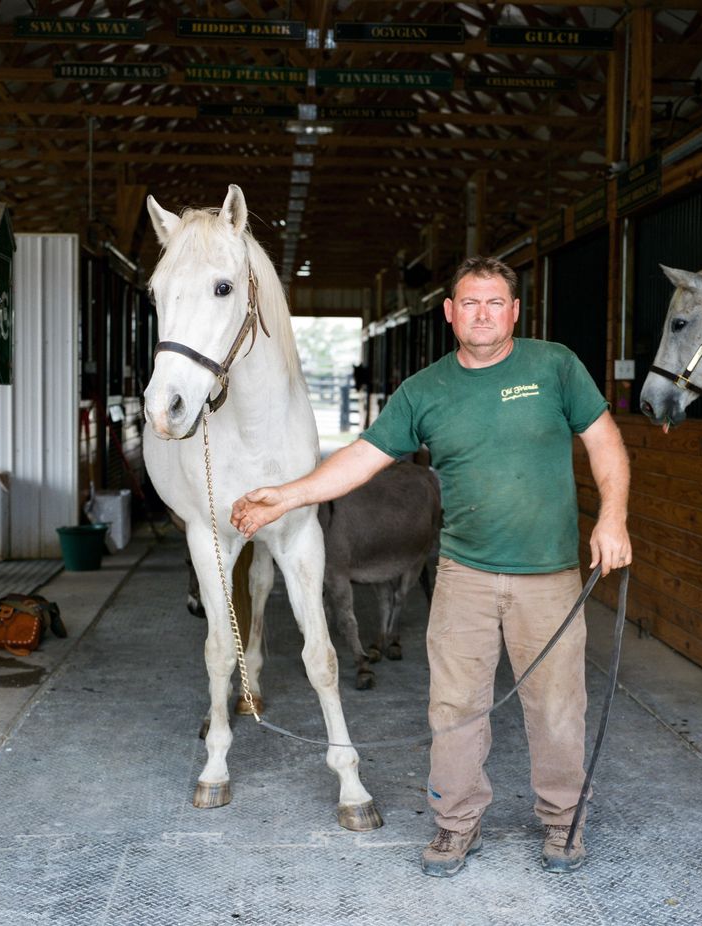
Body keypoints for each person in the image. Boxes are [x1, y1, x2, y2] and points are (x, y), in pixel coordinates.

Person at [230, 256, 631, 877]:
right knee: (454, 705)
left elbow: (605, 441)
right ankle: (455, 824)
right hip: (463, 575)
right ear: (449, 313)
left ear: (515, 311)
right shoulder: (425, 390)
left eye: (495, 302)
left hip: (549, 575)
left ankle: (561, 821)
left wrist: (612, 518)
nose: (482, 314)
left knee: (557, 704)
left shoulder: (554, 367)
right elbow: (361, 459)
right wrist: (287, 495)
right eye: (469, 303)